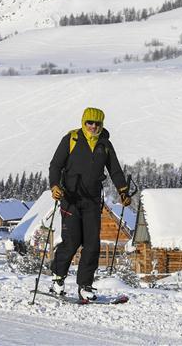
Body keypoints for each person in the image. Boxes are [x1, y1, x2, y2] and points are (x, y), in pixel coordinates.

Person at [48, 107, 130, 301]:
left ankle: (85, 286)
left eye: (97, 123)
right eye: (89, 123)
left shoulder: (105, 144)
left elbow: (115, 170)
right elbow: (55, 165)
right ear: (83, 122)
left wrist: (123, 191)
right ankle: (57, 279)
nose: (93, 126)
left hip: (92, 200)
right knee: (72, 241)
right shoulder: (71, 139)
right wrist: (54, 186)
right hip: (70, 199)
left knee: (92, 244)